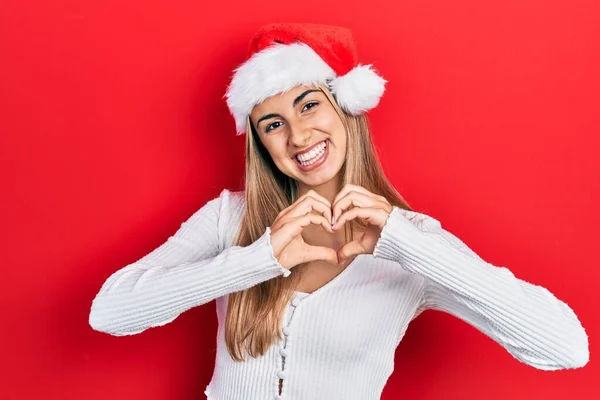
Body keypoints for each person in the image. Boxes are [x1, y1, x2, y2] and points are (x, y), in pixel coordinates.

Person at [88, 23, 589, 400]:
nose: (298, 136)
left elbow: (565, 347)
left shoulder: (412, 244)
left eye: (309, 106)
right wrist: (256, 259)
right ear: (260, 144)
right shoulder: (228, 218)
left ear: (344, 106)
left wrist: (404, 244)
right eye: (272, 124)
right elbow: (110, 313)